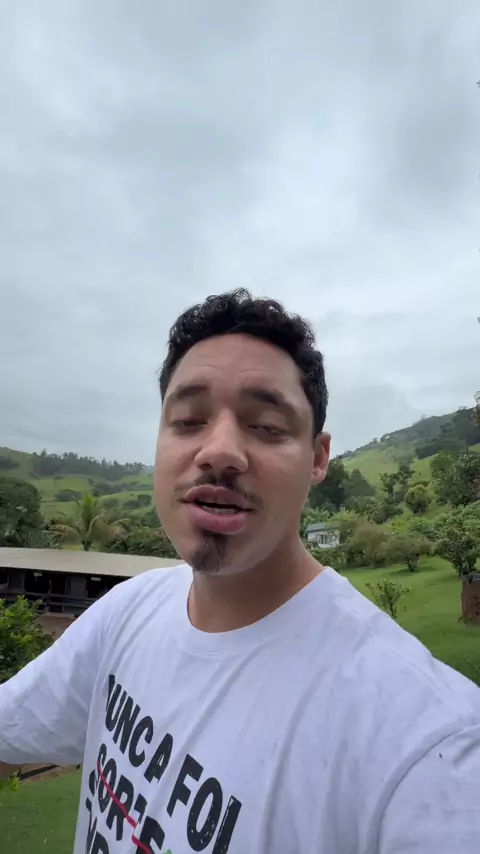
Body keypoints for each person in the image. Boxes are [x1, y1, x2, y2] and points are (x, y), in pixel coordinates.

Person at [1, 289, 479, 854]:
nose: (220, 451)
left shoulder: (427, 744)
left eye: (267, 425)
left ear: (318, 458)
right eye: (187, 420)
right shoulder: (128, 612)